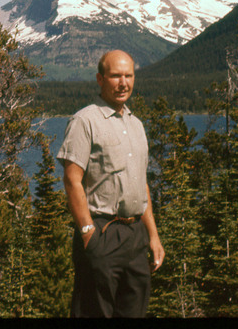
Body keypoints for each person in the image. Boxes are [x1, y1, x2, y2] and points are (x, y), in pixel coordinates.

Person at [57, 49, 164, 317]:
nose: (123, 83)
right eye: (115, 76)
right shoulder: (85, 121)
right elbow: (72, 180)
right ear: (100, 79)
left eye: (128, 75)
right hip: (102, 233)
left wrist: (153, 235)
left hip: (135, 236)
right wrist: (87, 233)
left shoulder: (136, 125)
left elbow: (141, 185)